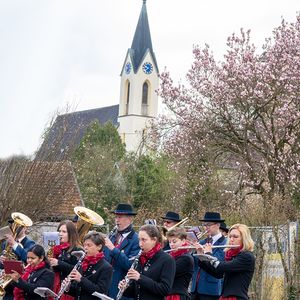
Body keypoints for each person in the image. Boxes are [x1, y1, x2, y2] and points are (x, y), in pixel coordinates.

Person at [198, 224, 255, 300]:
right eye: (230, 236)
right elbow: (218, 273)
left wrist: (208, 254)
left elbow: (221, 266)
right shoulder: (231, 255)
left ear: (244, 239)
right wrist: (201, 256)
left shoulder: (247, 256)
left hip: (236, 297)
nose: (231, 239)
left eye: (235, 237)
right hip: (225, 296)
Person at [119, 224, 176, 300]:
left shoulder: (167, 260)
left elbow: (165, 290)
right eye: (139, 239)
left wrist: (140, 278)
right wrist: (125, 288)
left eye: (144, 240)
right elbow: (136, 291)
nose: (140, 244)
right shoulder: (140, 258)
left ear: (154, 240)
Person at [104, 203, 140, 300]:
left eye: (120, 217)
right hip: (106, 286)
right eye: (116, 217)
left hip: (121, 289)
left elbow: (130, 265)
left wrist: (113, 249)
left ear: (129, 219)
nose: (116, 220)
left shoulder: (136, 240)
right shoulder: (111, 236)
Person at [190, 212, 227, 300]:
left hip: (211, 289)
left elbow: (218, 261)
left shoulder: (225, 243)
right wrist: (191, 250)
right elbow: (194, 263)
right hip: (195, 288)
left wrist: (204, 253)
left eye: (209, 225)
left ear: (218, 225)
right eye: (204, 225)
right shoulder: (202, 242)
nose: (206, 227)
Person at [66, 231, 113, 299]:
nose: (85, 248)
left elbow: (100, 292)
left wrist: (81, 279)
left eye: (89, 245)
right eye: (84, 245)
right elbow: (78, 291)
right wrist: (68, 287)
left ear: (99, 247)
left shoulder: (106, 267)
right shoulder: (82, 263)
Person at [0, 218, 35, 300]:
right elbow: (2, 265)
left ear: (25, 228)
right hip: (6, 284)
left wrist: (14, 244)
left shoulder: (30, 243)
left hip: (19, 283)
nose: (15, 228)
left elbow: (27, 258)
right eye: (13, 225)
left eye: (19, 226)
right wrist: (1, 260)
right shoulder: (6, 243)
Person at [49, 220, 81, 300]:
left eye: (64, 232)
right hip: (55, 284)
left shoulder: (77, 249)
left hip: (68, 289)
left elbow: (77, 269)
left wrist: (59, 263)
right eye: (59, 231)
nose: (60, 234)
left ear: (71, 234)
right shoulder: (57, 248)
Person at [166, 227, 194, 300]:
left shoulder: (186, 258)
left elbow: (168, 272)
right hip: (168, 294)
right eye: (169, 242)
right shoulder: (170, 256)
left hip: (177, 295)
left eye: (174, 242)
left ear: (183, 241)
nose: (171, 244)